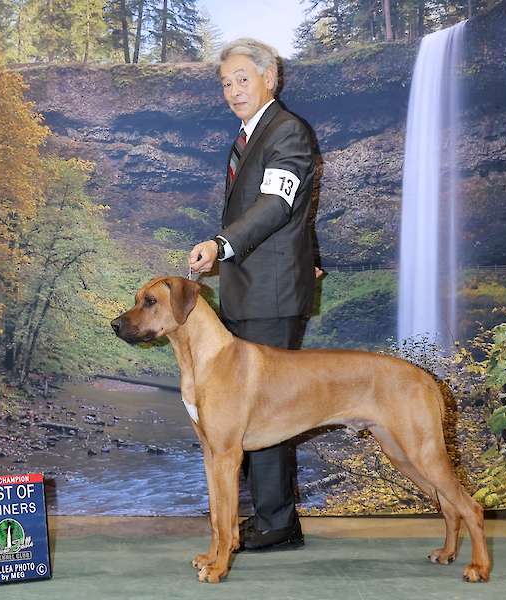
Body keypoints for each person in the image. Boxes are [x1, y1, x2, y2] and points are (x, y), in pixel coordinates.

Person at [189, 39, 317, 552]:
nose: (233, 90)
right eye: (225, 82)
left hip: (269, 297)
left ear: (271, 78)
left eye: (242, 78)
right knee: (250, 410)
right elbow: (294, 208)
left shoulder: (286, 131)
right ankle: (271, 517)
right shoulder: (248, 136)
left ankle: (276, 522)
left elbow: (276, 204)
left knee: (266, 412)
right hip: (249, 292)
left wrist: (222, 244)